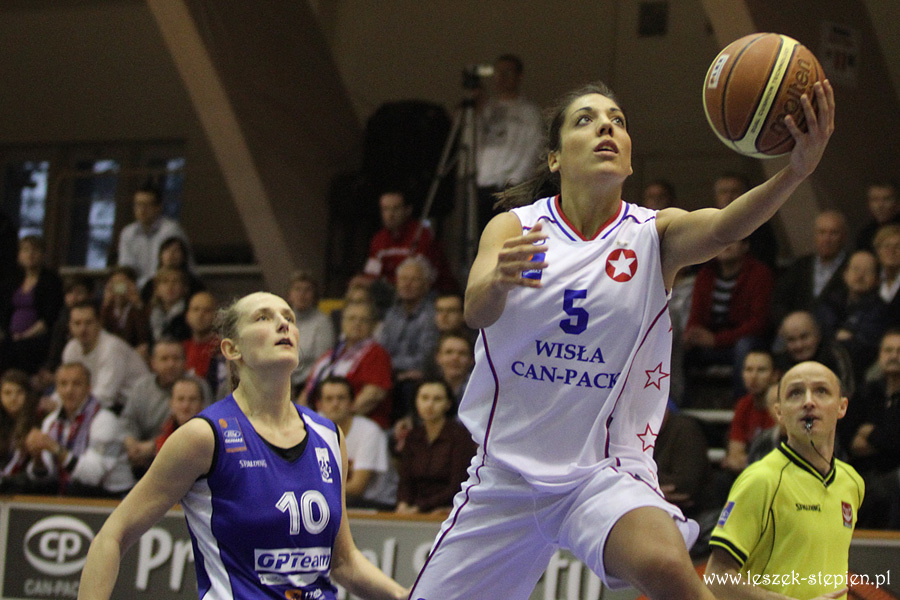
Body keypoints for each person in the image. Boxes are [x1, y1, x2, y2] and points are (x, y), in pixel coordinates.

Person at [407, 78, 835, 600]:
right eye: (585, 120)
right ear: (555, 158)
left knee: (666, 564)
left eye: (618, 120)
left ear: (630, 159)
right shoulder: (515, 227)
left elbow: (725, 227)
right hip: (506, 476)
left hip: (601, 471)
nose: (606, 127)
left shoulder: (652, 234)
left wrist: (795, 173)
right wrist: (498, 280)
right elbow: (476, 311)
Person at [76, 291, 408, 600]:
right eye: (263, 317)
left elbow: (344, 561)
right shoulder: (204, 436)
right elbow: (112, 536)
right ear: (232, 349)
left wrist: (404, 597)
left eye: (289, 317)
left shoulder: (329, 436)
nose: (283, 324)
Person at [706, 361, 864, 599]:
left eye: (821, 391)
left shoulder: (852, 481)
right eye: (795, 393)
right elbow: (715, 578)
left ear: (842, 407)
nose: (808, 401)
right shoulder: (761, 480)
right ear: (779, 412)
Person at [21, 362, 135, 497]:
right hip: (74, 494)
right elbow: (47, 476)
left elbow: (93, 476)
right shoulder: (51, 421)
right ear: (56, 388)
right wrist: (37, 458)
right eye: (63, 384)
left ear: (89, 387)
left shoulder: (105, 420)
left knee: (75, 489)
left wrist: (55, 448)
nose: (69, 390)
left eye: (76, 384)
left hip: (116, 497)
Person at [682, 238, 774, 400]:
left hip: (746, 342)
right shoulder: (705, 274)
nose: (726, 244)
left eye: (733, 239)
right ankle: (677, 401)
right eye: (722, 239)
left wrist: (716, 340)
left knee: (744, 347)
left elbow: (758, 324)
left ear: (745, 246)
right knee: (678, 342)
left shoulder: (759, 274)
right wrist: (692, 334)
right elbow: (696, 316)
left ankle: (742, 403)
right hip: (710, 342)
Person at [120, 339, 210, 475]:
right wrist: (131, 443)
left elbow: (207, 428)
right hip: (142, 458)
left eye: (176, 358)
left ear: (185, 361)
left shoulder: (198, 386)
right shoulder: (141, 387)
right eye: (164, 359)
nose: (171, 364)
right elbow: (128, 421)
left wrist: (154, 447)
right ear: (153, 363)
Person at [475, 53, 543, 232]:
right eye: (498, 72)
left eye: (508, 72)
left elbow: (533, 149)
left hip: (510, 186)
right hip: (483, 185)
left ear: (519, 76)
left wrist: (517, 181)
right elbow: (473, 143)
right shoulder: (486, 109)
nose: (502, 78)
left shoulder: (529, 113)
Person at [301, 301, 393, 429]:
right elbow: (308, 390)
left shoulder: (377, 354)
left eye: (363, 320)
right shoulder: (330, 355)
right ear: (342, 322)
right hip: (322, 420)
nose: (357, 323)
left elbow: (373, 395)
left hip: (358, 424)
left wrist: (338, 418)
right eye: (352, 318)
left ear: (373, 325)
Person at [316, 375, 397, 511]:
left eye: (341, 398)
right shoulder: (312, 431)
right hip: (336, 502)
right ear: (319, 405)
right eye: (329, 399)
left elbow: (357, 487)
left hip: (377, 505)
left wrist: (312, 488)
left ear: (352, 403)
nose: (335, 404)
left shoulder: (369, 431)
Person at [396, 379, 476, 515]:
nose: (429, 405)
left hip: (449, 508)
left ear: (448, 404)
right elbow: (405, 480)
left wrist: (420, 508)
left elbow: (457, 484)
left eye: (437, 399)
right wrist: (403, 503)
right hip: (413, 509)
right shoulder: (413, 436)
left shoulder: (460, 436)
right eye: (424, 398)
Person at [846, 329, 900, 529]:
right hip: (861, 473)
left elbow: (896, 444)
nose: (894, 356)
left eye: (899, 351)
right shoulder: (866, 392)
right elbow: (848, 439)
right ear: (880, 355)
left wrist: (869, 433)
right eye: (888, 350)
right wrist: (886, 439)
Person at [377, 255, 440, 420]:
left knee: (408, 387)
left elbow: (425, 358)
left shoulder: (432, 315)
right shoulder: (391, 314)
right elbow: (381, 351)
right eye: (403, 279)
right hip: (392, 375)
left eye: (414, 280)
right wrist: (392, 370)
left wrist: (392, 368)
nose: (407, 284)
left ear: (426, 285)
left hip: (418, 378)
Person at [362, 189, 458, 294]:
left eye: (395, 209)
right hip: (393, 293)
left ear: (407, 210)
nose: (390, 215)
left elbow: (422, 277)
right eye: (385, 209)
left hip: (431, 293)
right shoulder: (378, 239)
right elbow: (372, 274)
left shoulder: (422, 234)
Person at [815, 249, 888, 385]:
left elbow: (866, 344)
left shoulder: (882, 310)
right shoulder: (829, 301)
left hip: (860, 372)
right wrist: (838, 335)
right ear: (845, 274)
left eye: (867, 271)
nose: (860, 276)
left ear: (878, 279)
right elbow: (819, 332)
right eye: (855, 269)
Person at [60, 301, 150, 411]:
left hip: (136, 407)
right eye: (77, 323)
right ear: (70, 326)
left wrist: (66, 406)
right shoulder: (71, 349)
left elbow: (105, 397)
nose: (83, 329)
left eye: (88, 323)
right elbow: (67, 384)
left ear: (99, 323)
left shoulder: (111, 348)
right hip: (103, 404)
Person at [771, 210, 849, 329]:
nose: (827, 239)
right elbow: (779, 300)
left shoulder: (851, 266)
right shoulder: (801, 265)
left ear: (844, 237)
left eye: (833, 233)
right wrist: (789, 323)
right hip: (795, 329)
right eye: (822, 232)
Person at [0, 235, 64, 375]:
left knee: (20, 349)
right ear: (19, 255)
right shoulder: (12, 280)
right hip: (11, 337)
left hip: (37, 337)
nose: (30, 254)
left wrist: (24, 335)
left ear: (42, 254)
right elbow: (4, 311)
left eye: (35, 250)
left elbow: (49, 318)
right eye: (26, 250)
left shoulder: (51, 281)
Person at [117, 183, 192, 288]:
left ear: (158, 207)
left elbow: (176, 269)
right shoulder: (127, 233)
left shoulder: (171, 230)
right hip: (137, 288)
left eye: (146, 205)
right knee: (118, 284)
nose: (142, 210)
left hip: (166, 287)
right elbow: (126, 268)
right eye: (138, 204)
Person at [774, 311, 855, 400]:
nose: (799, 345)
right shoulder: (779, 364)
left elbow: (846, 392)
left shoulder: (836, 354)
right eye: (791, 340)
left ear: (817, 334)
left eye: (804, 337)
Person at [721, 350, 779, 474]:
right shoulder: (743, 405)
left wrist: (747, 461)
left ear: (775, 375)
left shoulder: (781, 406)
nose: (753, 376)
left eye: (761, 370)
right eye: (749, 370)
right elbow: (735, 455)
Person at [711, 172, 780, 269]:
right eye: (723, 192)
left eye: (734, 191)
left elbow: (766, 261)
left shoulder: (759, 225)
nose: (728, 197)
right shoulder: (709, 225)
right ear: (716, 196)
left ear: (744, 195)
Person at [287, 271, 335, 395]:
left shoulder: (322, 322)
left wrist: (306, 390)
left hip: (308, 384)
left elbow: (322, 363)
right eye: (297, 289)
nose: (302, 294)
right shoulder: (281, 320)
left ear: (314, 295)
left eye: (307, 290)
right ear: (290, 295)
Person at [99, 266, 150, 361]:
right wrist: (105, 305)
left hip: (133, 354)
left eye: (122, 283)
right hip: (110, 353)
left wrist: (137, 304)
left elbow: (143, 337)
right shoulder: (106, 309)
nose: (119, 288)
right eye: (115, 283)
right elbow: (101, 334)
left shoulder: (140, 308)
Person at [0, 369, 40, 482]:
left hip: (26, 483)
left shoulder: (38, 422)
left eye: (19, 392)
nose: (13, 398)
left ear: (28, 395)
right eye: (7, 393)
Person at [139, 236, 204, 304]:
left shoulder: (194, 285)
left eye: (176, 250)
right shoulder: (150, 285)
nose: (171, 254)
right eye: (167, 250)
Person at [154, 376, 206, 453]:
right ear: (171, 403)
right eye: (180, 399)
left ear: (201, 404)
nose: (186, 406)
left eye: (192, 399)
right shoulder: (163, 436)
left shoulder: (211, 438)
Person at [147, 266, 191, 343]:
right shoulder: (149, 312)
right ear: (156, 289)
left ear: (184, 288)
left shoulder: (189, 313)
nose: (170, 286)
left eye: (175, 281)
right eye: (165, 281)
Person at [856, 181, 900, 252]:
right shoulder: (865, 235)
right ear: (868, 204)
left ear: (897, 202)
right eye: (875, 199)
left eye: (886, 199)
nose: (880, 205)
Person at [872, 223, 900, 329]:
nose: (892, 251)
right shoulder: (871, 280)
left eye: (898, 246)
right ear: (878, 251)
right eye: (887, 246)